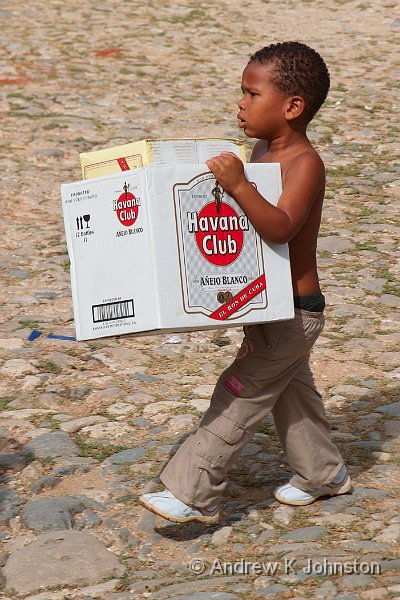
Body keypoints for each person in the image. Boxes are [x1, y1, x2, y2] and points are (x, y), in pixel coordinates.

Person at [139, 41, 352, 524]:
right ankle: (323, 474)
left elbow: (279, 225)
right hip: (265, 302)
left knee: (241, 391)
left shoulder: (305, 163)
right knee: (289, 391)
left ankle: (193, 491)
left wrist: (240, 186)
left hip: (296, 311)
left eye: (251, 94)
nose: (240, 103)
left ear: (293, 107)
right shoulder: (259, 150)